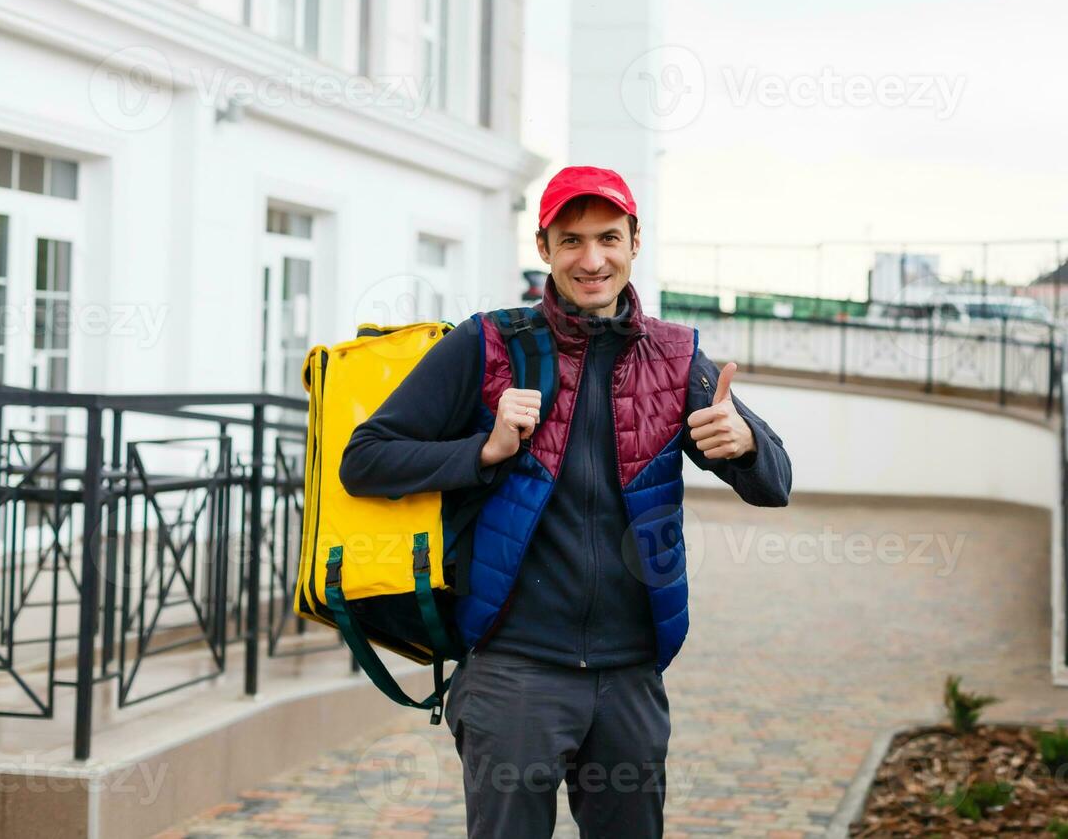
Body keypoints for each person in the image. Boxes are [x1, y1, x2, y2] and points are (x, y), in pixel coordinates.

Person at [338, 165, 793, 838]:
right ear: (544, 246)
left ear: (635, 241)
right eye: (571, 240)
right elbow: (364, 458)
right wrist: (483, 451)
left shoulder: (674, 357)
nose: (592, 259)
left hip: (631, 679)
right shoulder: (490, 343)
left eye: (608, 237)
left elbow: (775, 485)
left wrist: (745, 442)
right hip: (513, 675)